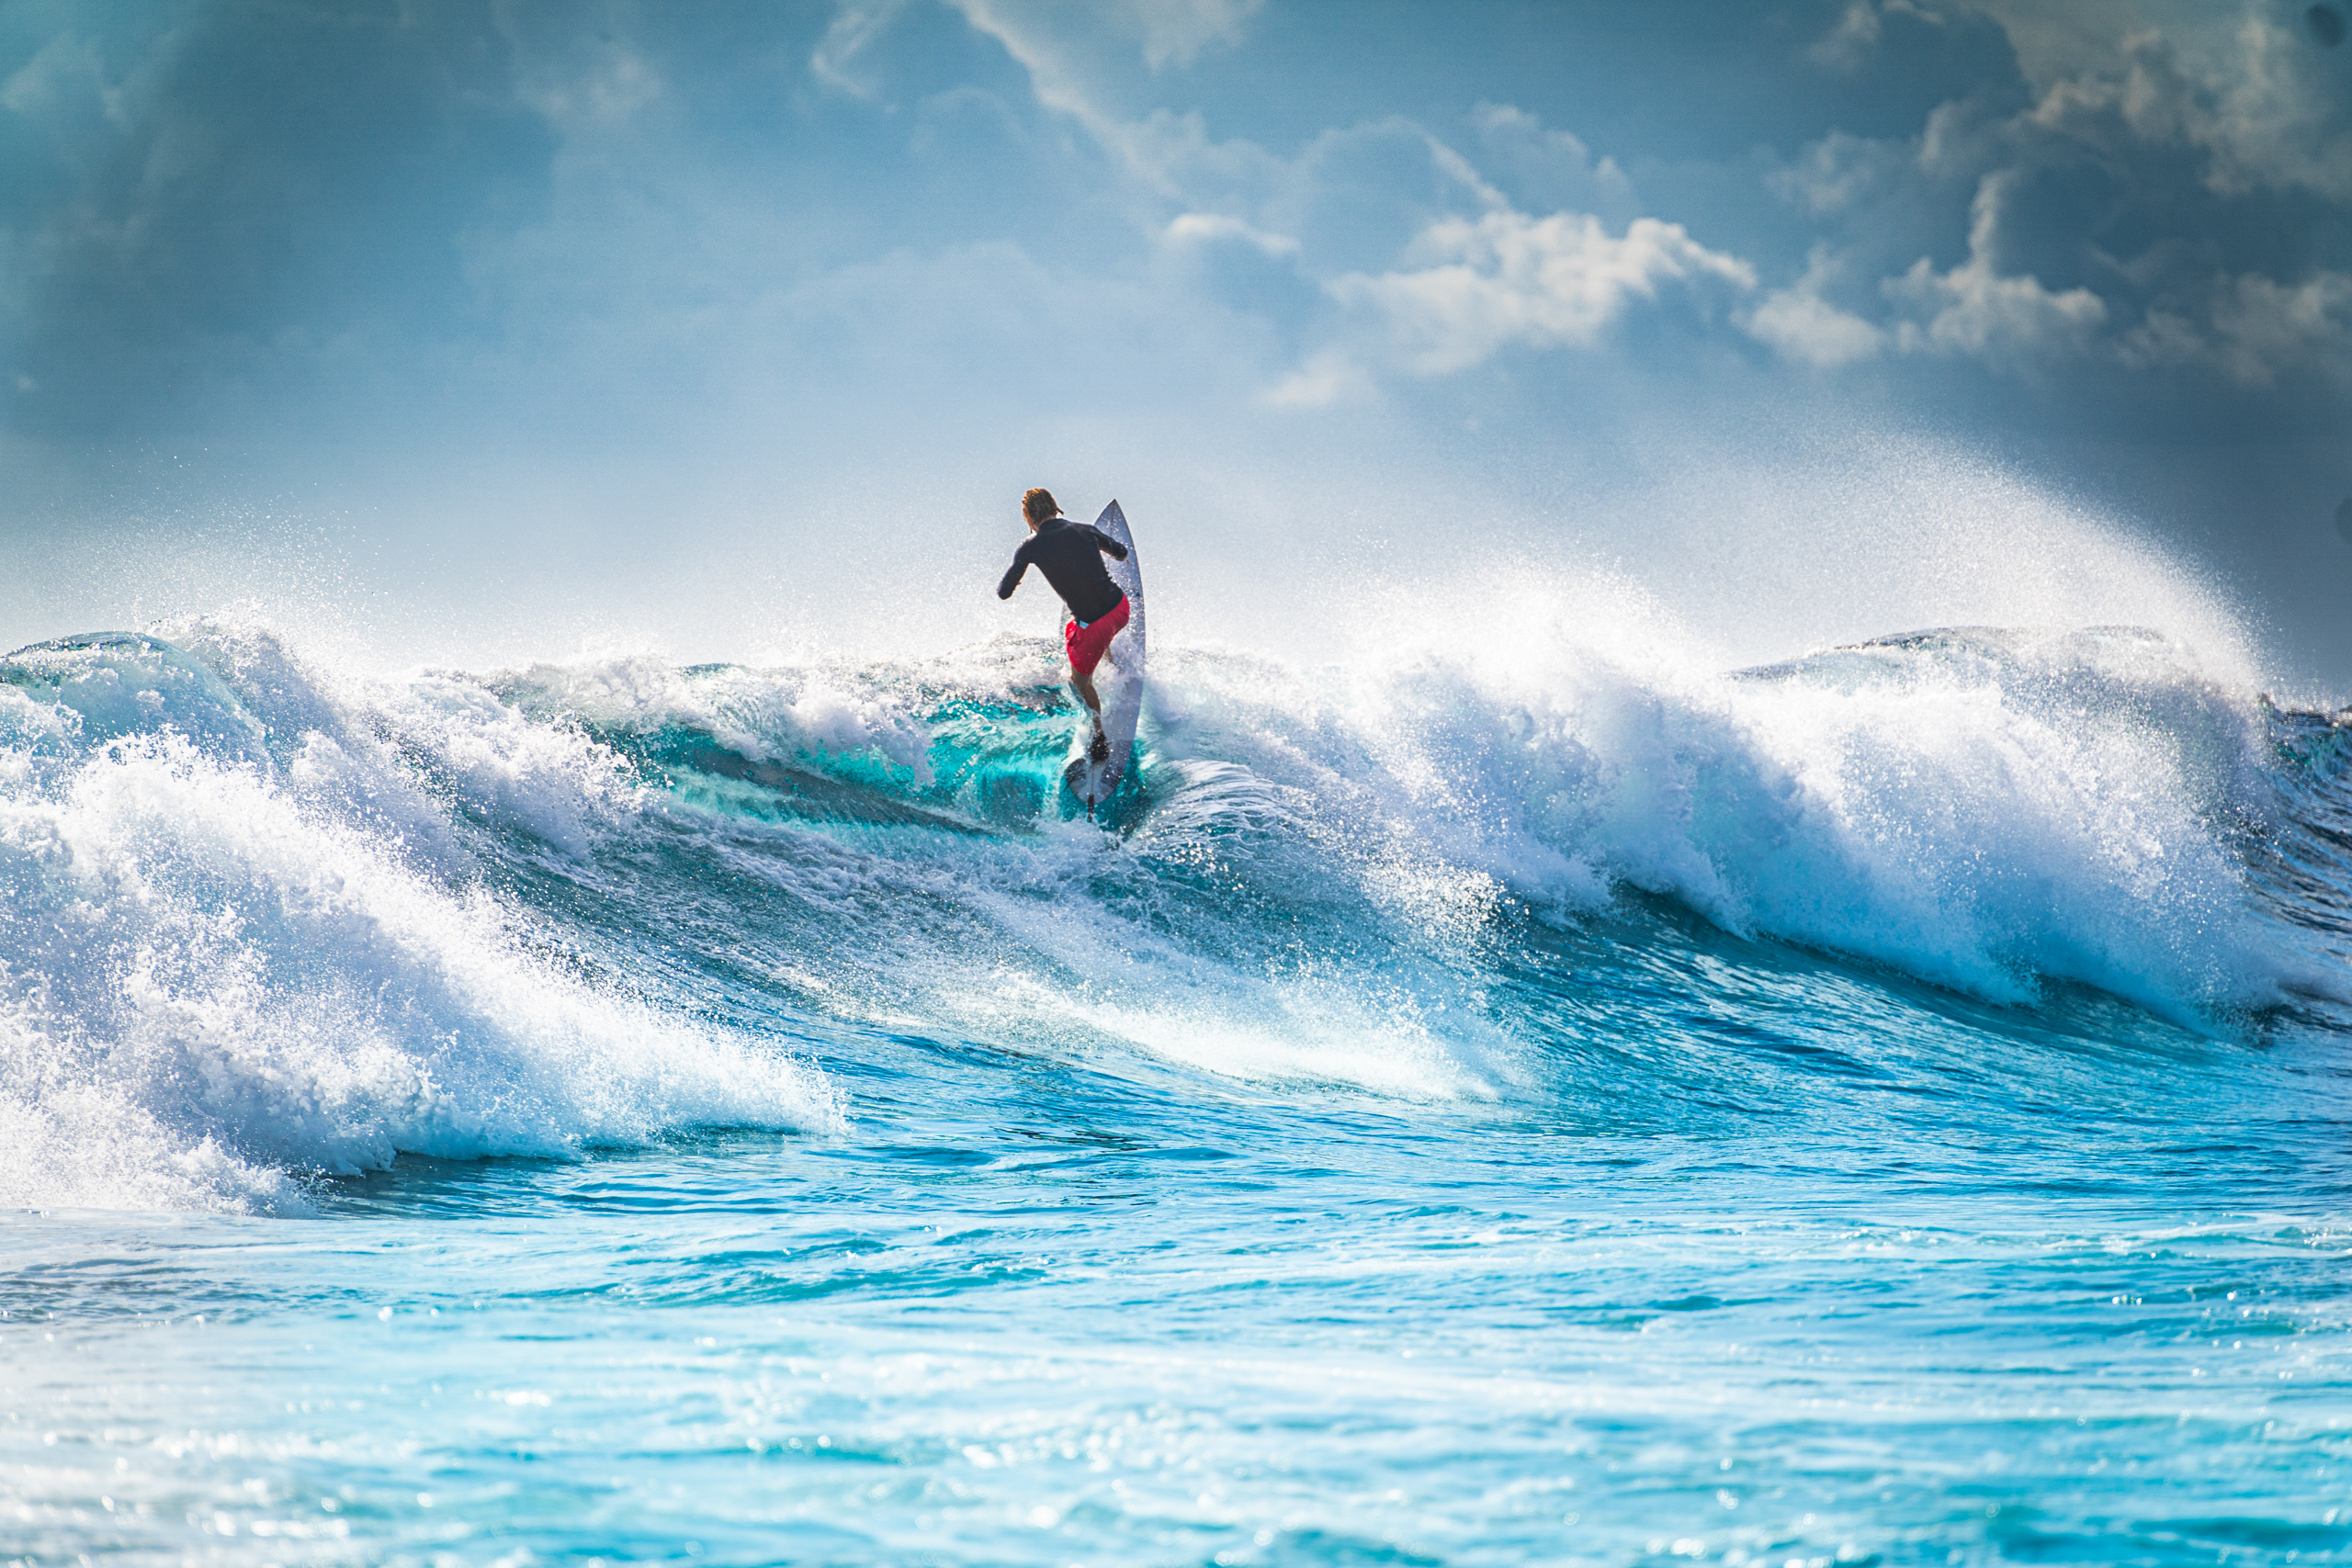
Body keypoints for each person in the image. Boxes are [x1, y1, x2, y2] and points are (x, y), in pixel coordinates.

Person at [997, 487, 1129, 761]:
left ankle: (1099, 735)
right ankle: (1114, 664)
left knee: (1078, 681)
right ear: (1055, 508)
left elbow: (1004, 592)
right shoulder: (1085, 529)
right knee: (1091, 629)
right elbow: (1120, 552)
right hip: (1119, 609)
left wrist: (1020, 571)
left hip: (1093, 625)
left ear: (1029, 517)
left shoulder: (1030, 546)